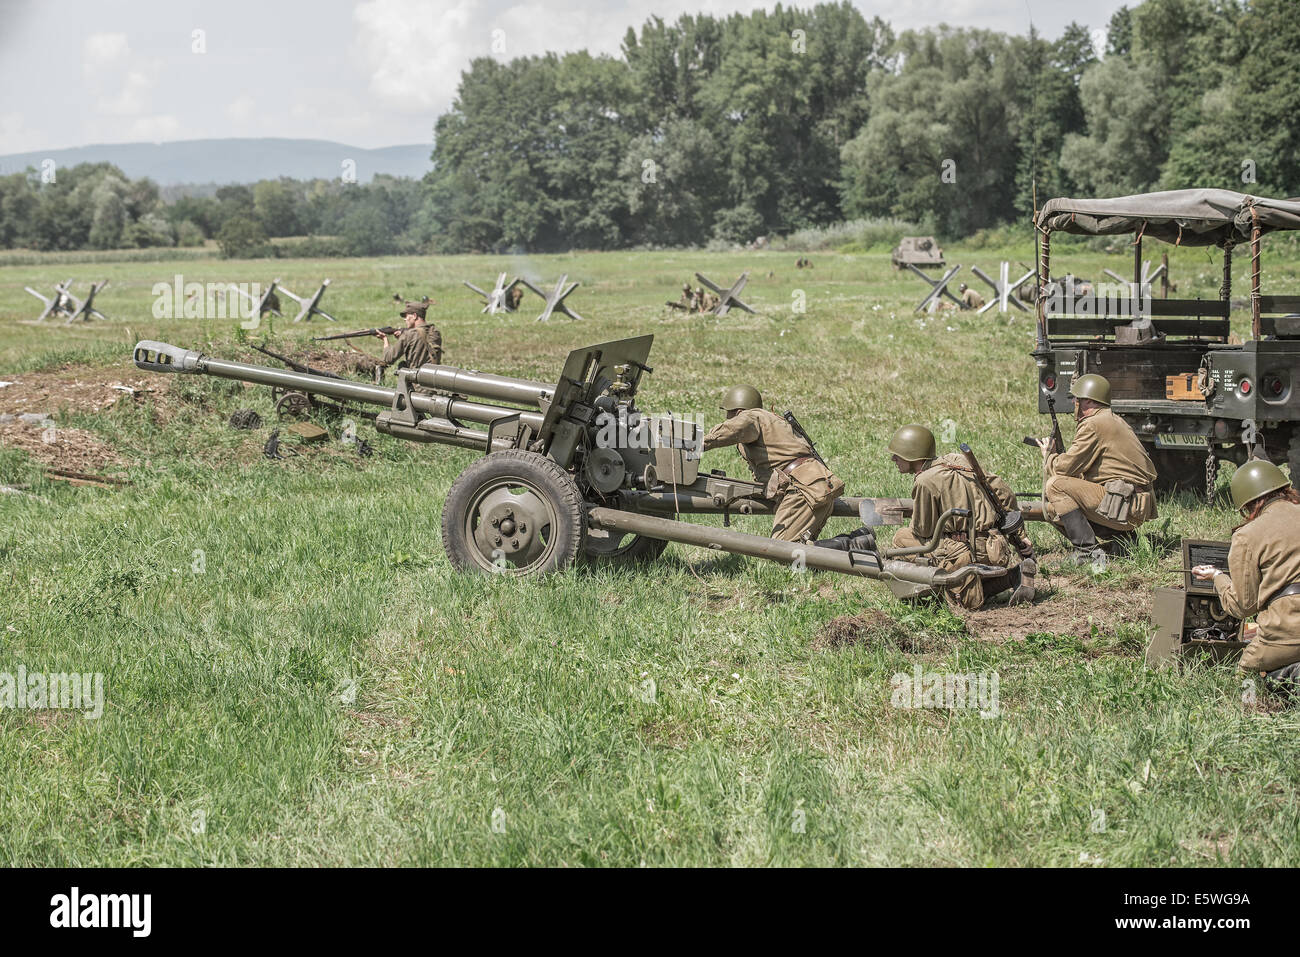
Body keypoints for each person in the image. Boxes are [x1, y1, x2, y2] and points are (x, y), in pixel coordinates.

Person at [819, 425, 1034, 607]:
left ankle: (952, 586)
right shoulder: (960, 460)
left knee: (902, 539)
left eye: (898, 454)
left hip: (965, 550)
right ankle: (1013, 575)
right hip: (995, 547)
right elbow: (1001, 490)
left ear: (912, 455)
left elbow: (923, 530)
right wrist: (1020, 535)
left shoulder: (925, 481)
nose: (894, 459)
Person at [1192, 460, 1300, 688]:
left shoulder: (1247, 536)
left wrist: (1217, 578)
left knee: (1245, 681)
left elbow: (1243, 606)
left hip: (1288, 630)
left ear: (1249, 505)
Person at [701, 385, 844, 542]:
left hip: (802, 491)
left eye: (729, 413)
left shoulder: (751, 417)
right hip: (815, 487)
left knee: (782, 549)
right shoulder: (770, 421)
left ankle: (856, 544)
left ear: (739, 412)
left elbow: (734, 428)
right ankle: (859, 541)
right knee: (802, 551)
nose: (727, 418)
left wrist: (697, 443)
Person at [1039, 373, 1157, 563]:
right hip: (1133, 503)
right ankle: (1121, 541)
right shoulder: (1110, 419)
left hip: (1125, 506)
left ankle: (1087, 553)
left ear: (1086, 402)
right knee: (1055, 508)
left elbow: (1064, 469)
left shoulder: (1093, 424)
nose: (1074, 404)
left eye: (1076, 400)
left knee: (1055, 486)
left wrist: (1049, 455)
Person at [376, 299, 442, 380]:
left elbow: (388, 359)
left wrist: (385, 339)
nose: (405, 319)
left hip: (417, 386)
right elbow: (420, 345)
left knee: (402, 366)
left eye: (406, 316)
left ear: (414, 316)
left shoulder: (409, 335)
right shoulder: (435, 332)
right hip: (434, 382)